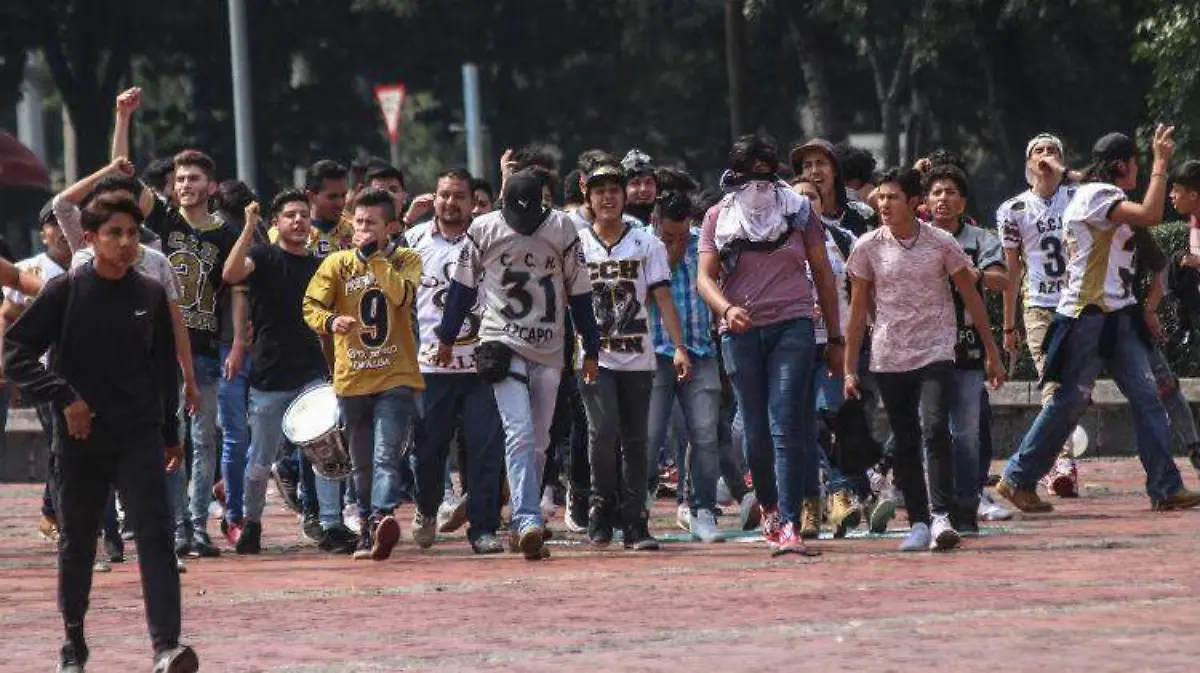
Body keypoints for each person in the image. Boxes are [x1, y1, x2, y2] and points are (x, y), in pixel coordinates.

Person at [4, 197, 198, 673]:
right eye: (114, 233)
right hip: (80, 438)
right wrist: (65, 397)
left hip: (139, 434)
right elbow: (15, 355)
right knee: (79, 541)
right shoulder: (66, 290)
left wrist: (171, 433)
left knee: (156, 536)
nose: (126, 242)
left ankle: (166, 647)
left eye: (132, 233)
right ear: (89, 239)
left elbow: (160, 371)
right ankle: (74, 643)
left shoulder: (149, 293)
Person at [998, 127, 1200, 513]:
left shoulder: (1091, 190)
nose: (1141, 171)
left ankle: (1166, 486)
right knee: (1069, 401)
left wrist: (1061, 166)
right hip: (1087, 315)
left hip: (1118, 314)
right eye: (1137, 164)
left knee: (1147, 397)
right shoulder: (1097, 196)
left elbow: (1081, 178)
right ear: (1123, 166)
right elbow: (1151, 215)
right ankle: (1018, 477)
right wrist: (1161, 163)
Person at [436, 168, 601, 561]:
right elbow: (461, 288)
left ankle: (524, 514)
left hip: (549, 348)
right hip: (501, 342)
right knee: (520, 433)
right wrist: (446, 338)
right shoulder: (484, 229)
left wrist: (591, 347)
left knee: (540, 440)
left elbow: (580, 293)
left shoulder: (562, 228)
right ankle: (526, 520)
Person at [844, 167, 1005, 552]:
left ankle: (941, 516)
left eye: (893, 197)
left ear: (914, 202)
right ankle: (917, 521)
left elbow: (971, 297)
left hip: (936, 349)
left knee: (935, 428)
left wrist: (993, 352)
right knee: (906, 439)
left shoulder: (941, 243)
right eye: (881, 197)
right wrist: (850, 367)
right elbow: (856, 311)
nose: (884, 204)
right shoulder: (867, 247)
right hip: (888, 355)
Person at [697, 136, 843, 553]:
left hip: (793, 325)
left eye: (767, 171)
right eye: (751, 172)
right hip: (740, 331)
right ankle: (769, 508)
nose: (759, 184)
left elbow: (823, 272)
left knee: (785, 425)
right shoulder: (717, 217)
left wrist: (834, 338)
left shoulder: (798, 211)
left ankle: (790, 524)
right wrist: (726, 310)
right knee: (755, 432)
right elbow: (704, 278)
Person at [304, 187, 424, 560]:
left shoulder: (407, 259)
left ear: (390, 227)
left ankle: (381, 517)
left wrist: (375, 260)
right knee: (362, 463)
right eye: (358, 222)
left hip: (396, 375)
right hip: (352, 377)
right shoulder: (336, 264)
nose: (362, 229)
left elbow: (402, 297)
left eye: (371, 223)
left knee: (387, 454)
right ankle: (367, 529)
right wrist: (330, 319)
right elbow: (310, 306)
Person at [577, 161, 690, 550]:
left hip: (638, 356)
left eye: (614, 189)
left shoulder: (647, 243)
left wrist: (678, 347)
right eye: (599, 190)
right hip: (594, 357)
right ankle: (600, 504)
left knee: (637, 439)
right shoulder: (578, 245)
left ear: (624, 196)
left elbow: (662, 298)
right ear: (588, 198)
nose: (607, 197)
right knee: (602, 432)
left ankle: (635, 517)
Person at [222, 191, 335, 554]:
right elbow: (231, 273)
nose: (299, 221)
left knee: (326, 455)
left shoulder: (321, 265)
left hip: (312, 375)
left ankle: (332, 524)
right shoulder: (264, 256)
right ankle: (251, 521)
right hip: (269, 375)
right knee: (261, 459)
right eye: (290, 215)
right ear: (277, 222)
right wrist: (250, 227)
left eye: (304, 215)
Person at [406, 169, 506, 554]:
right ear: (434, 197)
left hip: (482, 365)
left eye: (459, 196)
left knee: (484, 449)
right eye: (444, 195)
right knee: (429, 450)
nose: (451, 203)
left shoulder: (488, 237)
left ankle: (483, 527)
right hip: (431, 367)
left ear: (471, 201)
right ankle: (427, 509)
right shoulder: (413, 241)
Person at [647, 190, 745, 542]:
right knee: (649, 436)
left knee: (704, 434)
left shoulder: (704, 246)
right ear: (656, 222)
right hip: (655, 353)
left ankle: (703, 510)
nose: (675, 240)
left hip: (701, 352)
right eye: (667, 234)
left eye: (680, 234)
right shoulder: (644, 245)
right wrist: (666, 259)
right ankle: (639, 505)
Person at [924, 164, 1010, 533]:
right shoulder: (915, 238)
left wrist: (971, 272)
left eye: (951, 193)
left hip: (969, 349)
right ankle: (935, 507)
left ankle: (967, 503)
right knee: (930, 429)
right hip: (924, 349)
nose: (943, 199)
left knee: (966, 433)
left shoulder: (980, 239)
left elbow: (1002, 279)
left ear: (963, 201)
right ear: (925, 201)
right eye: (937, 192)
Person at [998, 133, 1082, 498]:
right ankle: (1061, 461)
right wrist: (1008, 324)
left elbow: (1104, 187)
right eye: (1038, 152)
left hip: (1081, 303)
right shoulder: (1013, 209)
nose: (1045, 157)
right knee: (1052, 382)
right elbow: (1012, 272)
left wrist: (1064, 174)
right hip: (1040, 306)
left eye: (1052, 151)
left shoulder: (1079, 198)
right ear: (1027, 163)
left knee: (1078, 387)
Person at [792, 139, 877, 236]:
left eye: (821, 163)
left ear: (835, 170)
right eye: (807, 166)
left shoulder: (863, 214)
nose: (814, 171)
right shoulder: (795, 221)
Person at [621, 148, 658, 225]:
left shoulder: (666, 224)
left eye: (649, 182)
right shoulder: (615, 224)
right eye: (635, 183)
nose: (643, 189)